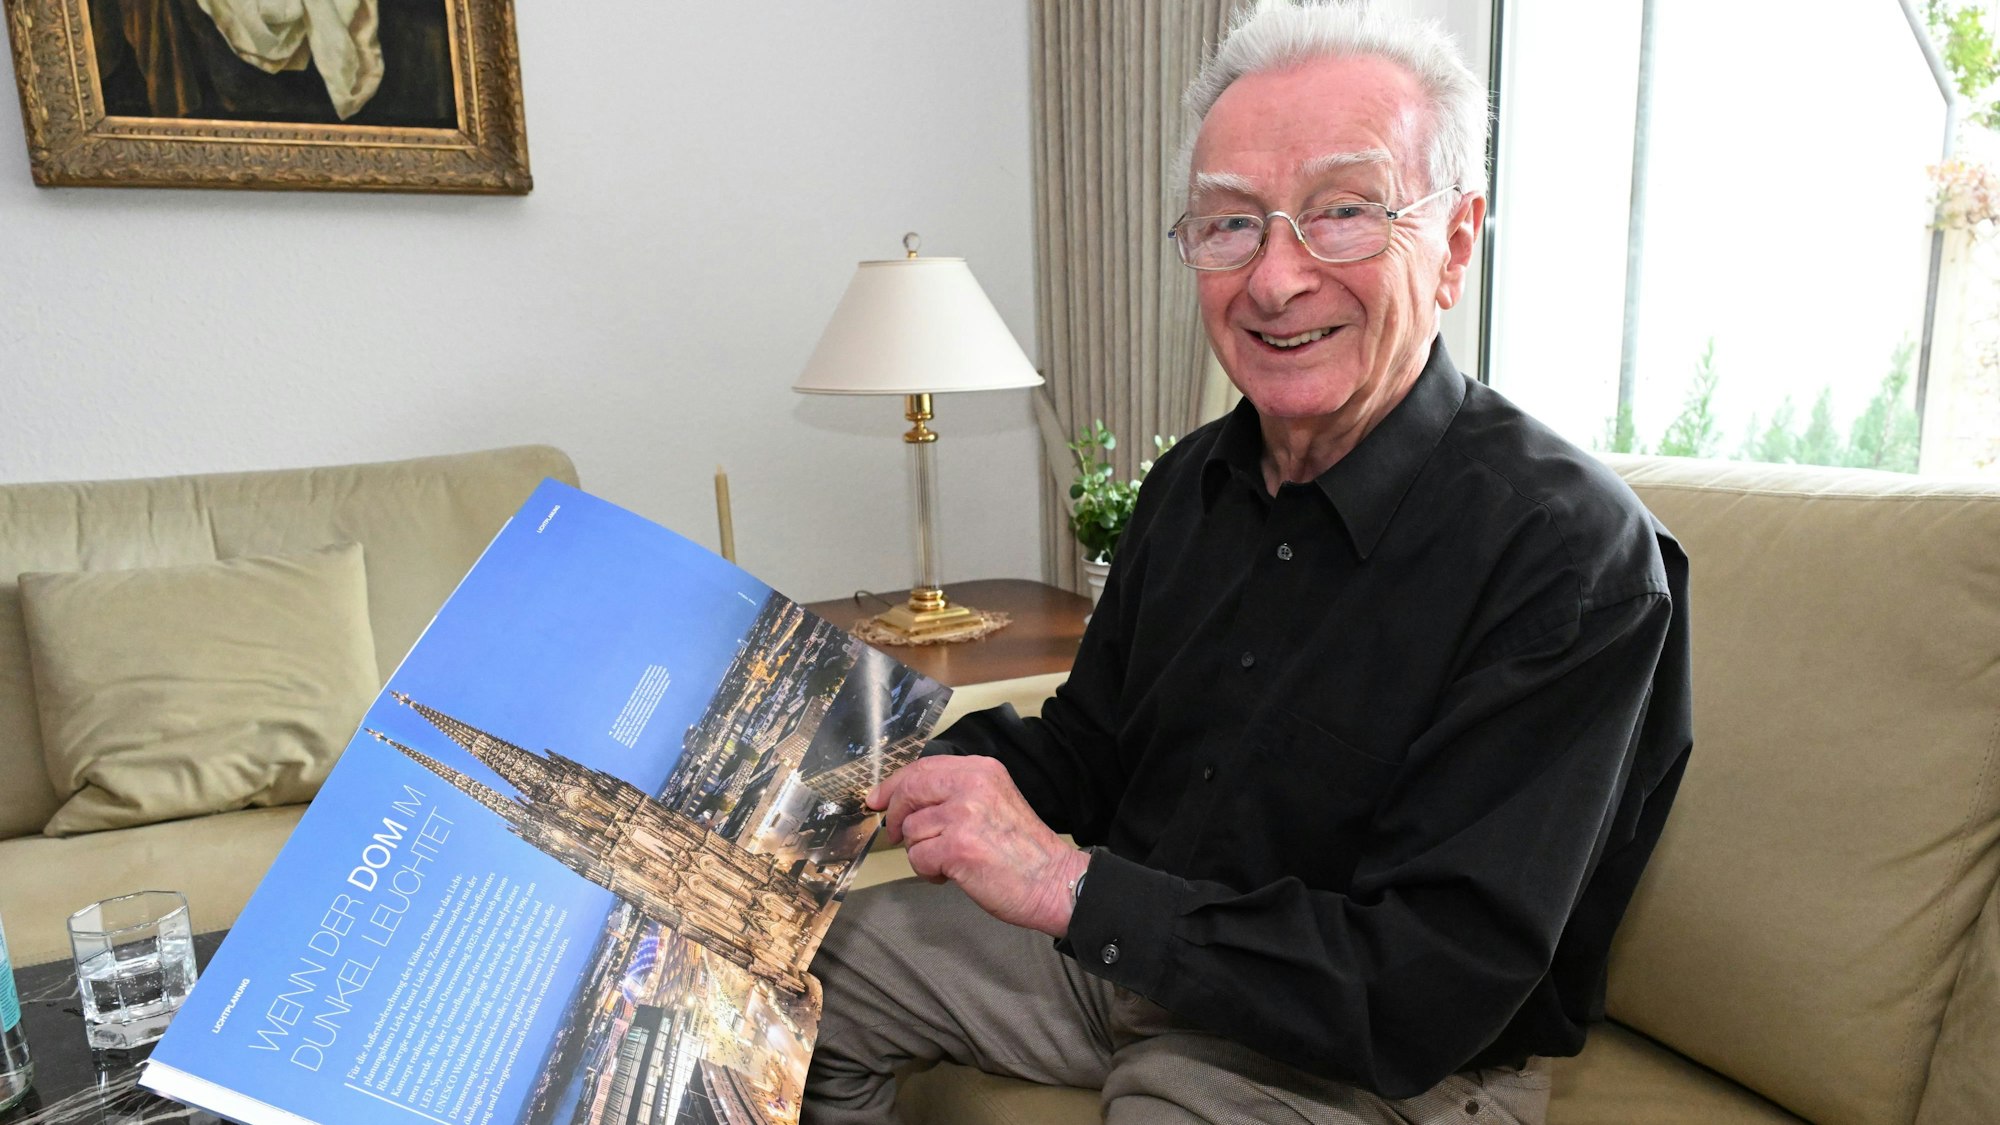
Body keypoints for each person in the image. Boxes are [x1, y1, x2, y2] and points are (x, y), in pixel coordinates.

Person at [803, 2, 1692, 1122]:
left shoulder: (1568, 557)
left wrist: (1061, 884)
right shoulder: (1189, 484)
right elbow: (1090, 745)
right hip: (1128, 946)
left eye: (1342, 213)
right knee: (804, 967)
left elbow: (1424, 982)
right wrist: (905, 774)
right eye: (1228, 224)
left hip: (1370, 1049)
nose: (1274, 279)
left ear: (1454, 244)